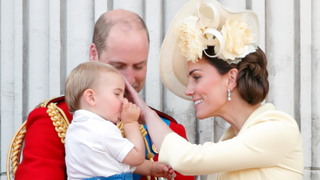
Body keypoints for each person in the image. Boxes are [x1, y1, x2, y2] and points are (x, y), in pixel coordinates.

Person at [124, 0, 304, 179]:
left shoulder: (278, 128)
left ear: (231, 78)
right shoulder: (231, 139)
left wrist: (148, 115)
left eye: (196, 77)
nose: (188, 91)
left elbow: (185, 160)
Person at [14, 9, 195, 180]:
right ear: (94, 54)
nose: (129, 80)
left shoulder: (169, 129)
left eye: (139, 66)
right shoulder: (53, 121)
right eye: (118, 66)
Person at [64, 62, 174, 180]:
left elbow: (115, 163)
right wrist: (130, 123)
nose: (123, 101)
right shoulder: (103, 129)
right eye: (117, 94)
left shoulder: (74, 129)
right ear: (91, 97)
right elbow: (136, 157)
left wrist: (151, 168)